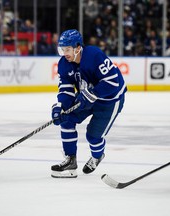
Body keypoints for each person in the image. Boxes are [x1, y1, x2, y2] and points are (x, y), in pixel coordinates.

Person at [51, 29, 127, 178]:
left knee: (93, 137)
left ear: (78, 47)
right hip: (87, 97)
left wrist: (93, 93)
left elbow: (113, 82)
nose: (64, 53)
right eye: (62, 49)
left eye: (68, 49)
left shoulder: (94, 55)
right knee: (66, 119)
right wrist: (61, 106)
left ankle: (97, 156)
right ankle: (70, 161)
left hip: (110, 100)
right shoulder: (64, 64)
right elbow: (66, 88)